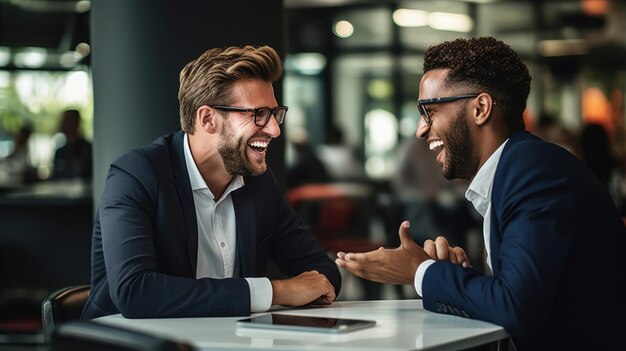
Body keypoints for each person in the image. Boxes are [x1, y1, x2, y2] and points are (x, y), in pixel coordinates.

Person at [335, 37, 625, 350]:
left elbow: (515, 307)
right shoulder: (518, 167)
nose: (421, 129)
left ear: (481, 108)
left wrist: (421, 271)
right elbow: (526, 295)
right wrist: (456, 278)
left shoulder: (534, 171)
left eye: (429, 110)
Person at [82, 45, 340, 320]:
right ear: (207, 119)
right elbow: (135, 293)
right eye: (258, 115)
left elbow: (322, 272)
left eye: (275, 114)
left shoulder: (259, 183)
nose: (275, 130)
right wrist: (275, 292)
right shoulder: (135, 176)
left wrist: (314, 284)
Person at [52, 109, 92, 180]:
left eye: (68, 121)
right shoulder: (60, 152)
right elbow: (55, 177)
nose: (63, 124)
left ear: (77, 122)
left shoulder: (87, 149)